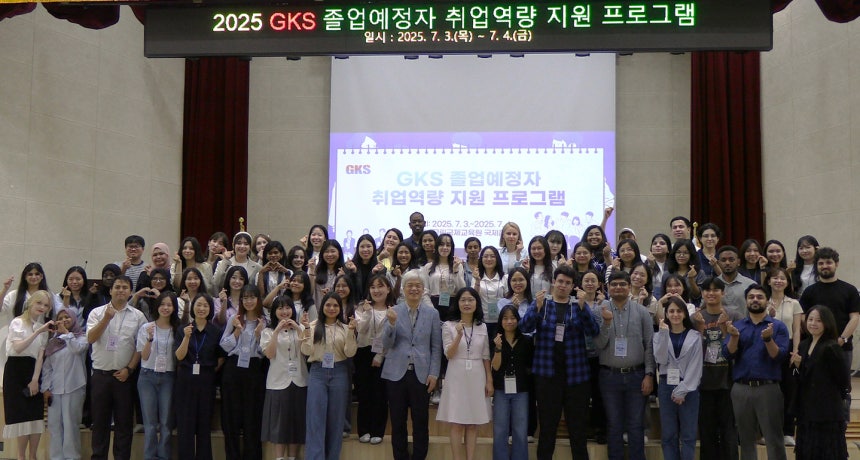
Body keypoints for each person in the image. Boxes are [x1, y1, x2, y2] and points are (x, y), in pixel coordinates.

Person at [520, 264, 599, 460]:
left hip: (576, 376)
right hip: (547, 375)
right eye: (560, 281)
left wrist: (584, 308)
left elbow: (593, 331)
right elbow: (524, 327)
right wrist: (535, 309)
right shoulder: (542, 303)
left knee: (577, 429)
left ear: (573, 286)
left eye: (568, 283)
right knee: (547, 428)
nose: (563, 285)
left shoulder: (578, 305)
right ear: (554, 282)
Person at [594, 270, 656, 460]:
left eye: (622, 284)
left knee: (636, 425)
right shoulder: (599, 311)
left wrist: (649, 374)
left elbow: (649, 345)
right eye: (614, 284)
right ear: (608, 288)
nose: (618, 287)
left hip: (637, 375)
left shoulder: (642, 311)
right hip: (609, 376)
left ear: (629, 287)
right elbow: (598, 346)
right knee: (614, 424)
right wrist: (606, 324)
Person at [381, 271, 442, 460]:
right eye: (410, 285)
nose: (414, 288)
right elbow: (386, 345)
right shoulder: (394, 311)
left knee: (421, 422)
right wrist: (390, 325)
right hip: (396, 374)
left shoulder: (432, 313)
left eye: (418, 285)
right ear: (403, 289)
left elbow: (436, 347)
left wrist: (434, 374)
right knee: (398, 422)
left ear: (423, 289)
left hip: (422, 375)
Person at [724, 284, 789, 460]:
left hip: (768, 388)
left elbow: (779, 357)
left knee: (773, 438)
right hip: (741, 388)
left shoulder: (778, 327)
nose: (755, 300)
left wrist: (768, 339)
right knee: (745, 439)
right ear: (746, 301)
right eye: (751, 297)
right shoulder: (737, 326)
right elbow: (727, 354)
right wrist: (734, 337)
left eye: (759, 297)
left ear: (767, 300)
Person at [86, 275, 147, 460]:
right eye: (117, 287)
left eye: (125, 287)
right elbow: (90, 338)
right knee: (100, 424)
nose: (121, 290)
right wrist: (106, 319)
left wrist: (129, 368)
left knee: (124, 425)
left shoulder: (138, 316)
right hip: (100, 376)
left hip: (124, 377)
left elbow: (141, 346)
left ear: (130, 292)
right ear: (111, 290)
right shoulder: (97, 312)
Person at [798, 247, 859, 422]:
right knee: (814, 383)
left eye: (829, 262)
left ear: (836, 264)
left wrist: (841, 339)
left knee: (842, 386)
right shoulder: (810, 292)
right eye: (821, 263)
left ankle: (843, 424)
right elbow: (803, 318)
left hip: (842, 348)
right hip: (814, 347)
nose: (825, 266)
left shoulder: (849, 290)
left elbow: (855, 317)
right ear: (817, 266)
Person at [437, 287, 493, 460]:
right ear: (458, 303)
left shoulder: (482, 326)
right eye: (463, 300)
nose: (467, 303)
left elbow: (485, 355)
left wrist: (489, 380)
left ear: (477, 303)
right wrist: (459, 335)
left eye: (471, 300)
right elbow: (449, 354)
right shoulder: (448, 325)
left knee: (473, 423)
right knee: (456, 422)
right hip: (456, 375)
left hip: (477, 375)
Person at [300, 292, 357, 460]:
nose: (331, 308)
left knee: (336, 420)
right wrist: (307, 330)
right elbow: (306, 351)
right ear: (322, 307)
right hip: (317, 372)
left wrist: (351, 331)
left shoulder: (346, 328)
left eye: (335, 305)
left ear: (340, 308)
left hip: (339, 372)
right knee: (315, 420)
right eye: (328, 305)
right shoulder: (312, 325)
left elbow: (350, 352)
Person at [790, 305, 849, 460]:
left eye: (818, 320)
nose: (813, 323)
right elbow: (803, 376)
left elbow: (843, 380)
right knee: (807, 450)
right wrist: (798, 366)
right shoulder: (803, 345)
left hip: (827, 411)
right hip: (806, 408)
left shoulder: (831, 347)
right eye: (810, 319)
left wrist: (803, 365)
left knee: (826, 452)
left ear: (827, 323)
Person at [691, 276, 740, 460]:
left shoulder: (734, 315)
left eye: (715, 290)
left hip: (727, 381)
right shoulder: (695, 317)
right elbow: (691, 352)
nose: (711, 293)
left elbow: (737, 349)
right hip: (703, 383)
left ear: (723, 293)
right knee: (707, 432)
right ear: (702, 293)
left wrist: (725, 329)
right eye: (707, 290)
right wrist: (700, 329)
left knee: (729, 431)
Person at [219, 284, 268, 460]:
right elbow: (224, 345)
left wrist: (258, 335)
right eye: (245, 298)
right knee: (230, 418)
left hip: (255, 370)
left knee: (252, 418)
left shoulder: (265, 320)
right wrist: (237, 331)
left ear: (258, 299)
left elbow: (266, 352)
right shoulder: (235, 318)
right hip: (233, 368)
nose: (248, 301)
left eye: (252, 297)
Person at [3, 290, 52, 460]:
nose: (42, 307)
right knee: (21, 417)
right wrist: (38, 332)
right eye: (39, 303)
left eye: (46, 305)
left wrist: (35, 380)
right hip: (15, 370)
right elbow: (18, 348)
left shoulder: (42, 328)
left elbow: (40, 355)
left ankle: (33, 456)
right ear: (31, 303)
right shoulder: (17, 322)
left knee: (35, 416)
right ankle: (21, 456)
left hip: (33, 371)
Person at [174, 293, 224, 460]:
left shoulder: (215, 331)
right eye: (198, 305)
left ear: (210, 309)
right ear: (193, 307)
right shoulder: (183, 329)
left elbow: (220, 358)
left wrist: (208, 371)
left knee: (204, 425)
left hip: (206, 380)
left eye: (205, 306)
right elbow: (179, 356)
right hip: (186, 380)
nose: (202, 308)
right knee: (185, 425)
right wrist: (187, 337)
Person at [653, 297, 702, 460]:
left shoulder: (694, 336)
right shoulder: (659, 334)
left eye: (679, 311)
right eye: (671, 311)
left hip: (689, 388)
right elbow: (660, 360)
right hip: (666, 385)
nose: (675, 314)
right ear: (666, 313)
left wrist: (683, 390)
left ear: (685, 314)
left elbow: (696, 367)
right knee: (668, 435)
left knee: (688, 436)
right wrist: (664, 334)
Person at [261, 295, 308, 460]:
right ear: (274, 312)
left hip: (300, 380)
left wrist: (299, 327)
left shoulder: (301, 327)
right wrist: (276, 331)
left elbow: (307, 350)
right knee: (278, 425)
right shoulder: (267, 331)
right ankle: (279, 458)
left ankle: (293, 457)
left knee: (296, 423)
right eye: (280, 308)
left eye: (287, 308)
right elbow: (269, 354)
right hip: (277, 382)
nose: (284, 311)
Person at [136, 291, 180, 460]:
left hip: (168, 377)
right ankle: (149, 457)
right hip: (147, 376)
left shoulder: (177, 329)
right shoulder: (146, 327)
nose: (166, 308)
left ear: (174, 308)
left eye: (169, 305)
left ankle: (163, 456)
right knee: (150, 424)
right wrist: (149, 339)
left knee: (166, 423)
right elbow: (144, 356)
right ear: (157, 306)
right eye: (162, 304)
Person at [41, 307, 87, 460]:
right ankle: (56, 457)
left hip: (74, 387)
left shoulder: (80, 337)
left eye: (67, 317)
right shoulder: (53, 341)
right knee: (54, 425)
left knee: (70, 425)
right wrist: (46, 388)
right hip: (55, 390)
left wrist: (67, 335)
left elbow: (77, 350)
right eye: (60, 318)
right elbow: (47, 367)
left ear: (73, 319)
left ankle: (72, 456)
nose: (64, 320)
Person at [354, 274, 395, 445]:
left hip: (384, 354)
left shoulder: (393, 310)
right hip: (363, 352)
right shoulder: (361, 308)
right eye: (373, 287)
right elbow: (360, 330)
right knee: (364, 394)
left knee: (380, 394)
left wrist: (380, 355)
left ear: (388, 289)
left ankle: (378, 430)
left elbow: (392, 336)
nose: (376, 290)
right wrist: (368, 313)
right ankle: (364, 430)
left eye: (380, 286)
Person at [491, 304, 533, 460]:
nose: (509, 321)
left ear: (518, 319)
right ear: (501, 321)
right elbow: (495, 367)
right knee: (500, 429)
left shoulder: (527, 341)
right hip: (501, 390)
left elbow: (530, 365)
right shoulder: (496, 339)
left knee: (520, 430)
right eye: (505, 318)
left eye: (513, 317)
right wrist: (498, 348)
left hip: (521, 390)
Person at [767, 266, 803, 446]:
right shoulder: (762, 300)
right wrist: (769, 315)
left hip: (788, 346)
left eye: (783, 278)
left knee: (789, 390)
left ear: (787, 282)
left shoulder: (794, 303)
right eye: (775, 278)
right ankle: (769, 431)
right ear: (768, 281)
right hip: (767, 346)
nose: (779, 281)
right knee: (769, 391)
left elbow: (797, 329)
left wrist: (795, 350)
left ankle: (788, 431)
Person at [473, 246, 507, 342]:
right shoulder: (476, 276)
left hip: (500, 321)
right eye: (485, 256)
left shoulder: (504, 277)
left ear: (497, 258)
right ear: (481, 259)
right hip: (482, 321)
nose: (489, 259)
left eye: (492, 256)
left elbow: (508, 298)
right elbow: (474, 297)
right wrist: (477, 281)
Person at [715, 246, 756, 317]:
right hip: (718, 326)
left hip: (744, 326)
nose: (727, 263)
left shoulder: (750, 285)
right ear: (718, 263)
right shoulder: (713, 285)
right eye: (723, 260)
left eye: (731, 260)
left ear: (738, 262)